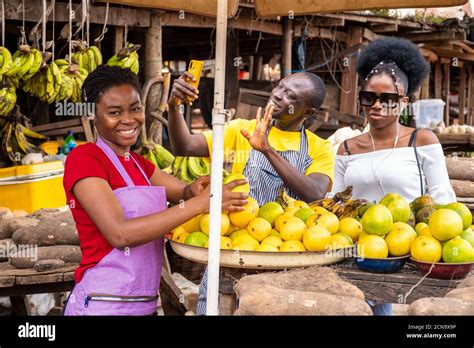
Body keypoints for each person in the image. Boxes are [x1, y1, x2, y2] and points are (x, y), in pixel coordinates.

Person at [62, 66, 248, 316]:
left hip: (145, 304)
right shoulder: (84, 159)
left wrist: (195, 189)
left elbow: (183, 191)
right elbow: (119, 235)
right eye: (114, 112)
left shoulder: (139, 164)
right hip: (102, 304)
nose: (129, 120)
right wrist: (201, 203)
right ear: (92, 115)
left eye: (135, 109)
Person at [168, 71, 334, 314]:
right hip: (233, 251)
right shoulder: (240, 130)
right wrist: (174, 107)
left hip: (286, 258)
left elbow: (315, 194)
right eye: (279, 86)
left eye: (290, 95)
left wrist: (266, 149)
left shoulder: (319, 148)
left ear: (307, 112)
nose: (277, 95)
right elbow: (183, 145)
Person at [332, 37, 456, 315]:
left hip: (409, 257)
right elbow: (335, 204)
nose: (376, 105)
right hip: (358, 256)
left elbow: (442, 199)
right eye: (368, 97)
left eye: (387, 98)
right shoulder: (347, 148)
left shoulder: (421, 140)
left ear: (404, 101)